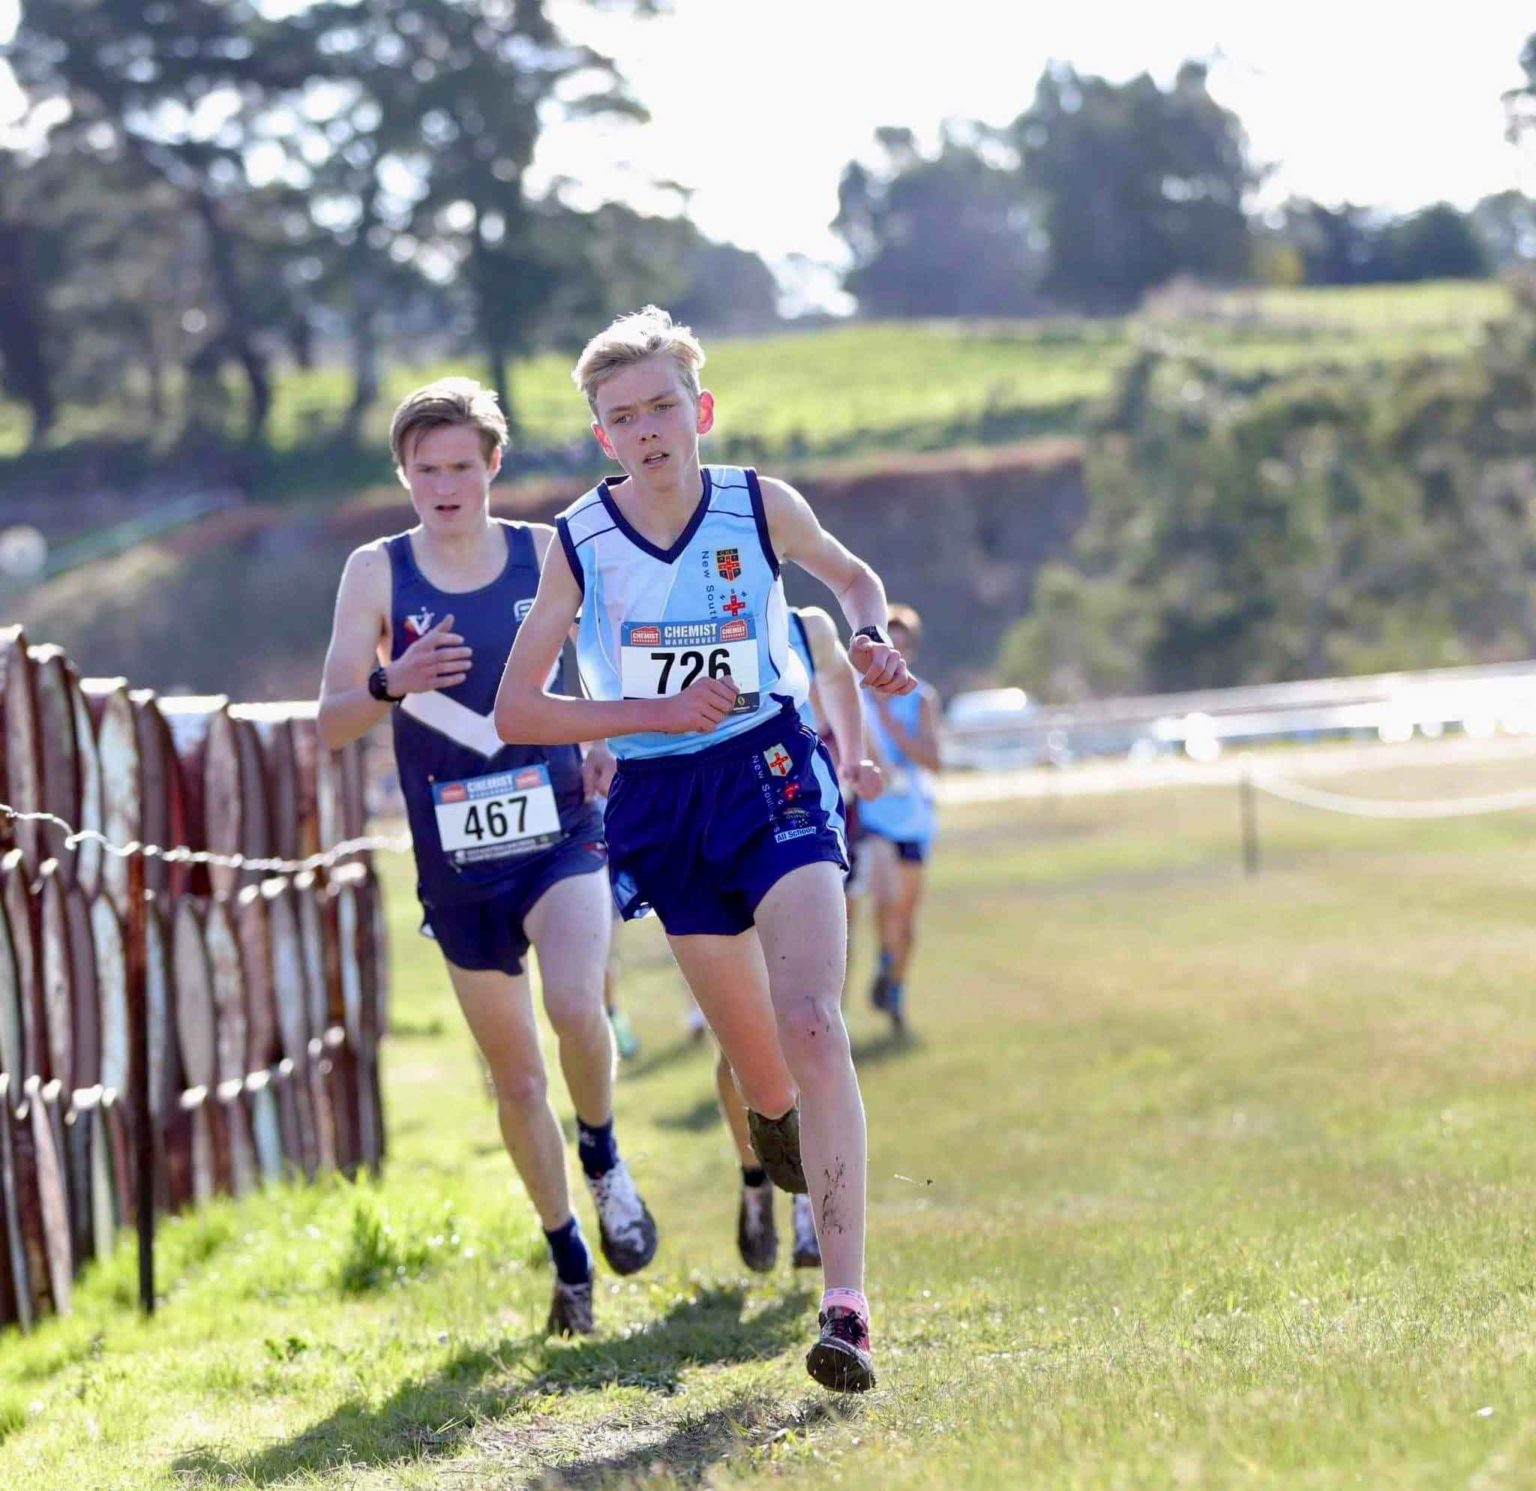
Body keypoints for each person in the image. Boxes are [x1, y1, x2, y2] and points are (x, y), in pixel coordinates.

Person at [494, 307, 910, 1394]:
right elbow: (520, 709)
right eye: (621, 418)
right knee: (764, 1080)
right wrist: (647, 715)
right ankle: (777, 1152)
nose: (647, 431)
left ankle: (848, 1310)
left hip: (772, 764)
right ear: (601, 437)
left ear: (700, 410)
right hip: (664, 799)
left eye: (662, 408)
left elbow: (854, 579)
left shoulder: (758, 504)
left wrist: (866, 640)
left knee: (814, 1019)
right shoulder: (581, 541)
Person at [317, 377, 658, 1339]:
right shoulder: (375, 573)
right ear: (404, 474)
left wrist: (602, 734)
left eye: (462, 465)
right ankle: (568, 1254)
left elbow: (598, 659)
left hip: (559, 825)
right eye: (425, 469)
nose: (445, 485)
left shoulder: (546, 550)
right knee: (514, 1081)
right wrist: (393, 678)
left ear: (493, 465)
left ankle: (603, 1152)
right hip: (456, 859)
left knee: (575, 1003)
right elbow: (331, 720)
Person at [724, 605, 881, 1276]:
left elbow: (842, 692)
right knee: (744, 1039)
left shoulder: (809, 625)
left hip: (802, 833)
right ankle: (755, 1176)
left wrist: (856, 758)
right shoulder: (700, 619)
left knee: (810, 1024)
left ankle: (805, 1206)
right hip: (724, 838)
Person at [857, 605, 942, 1034]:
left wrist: (892, 725)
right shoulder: (857, 697)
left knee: (906, 921)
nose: (898, 653)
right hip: (875, 816)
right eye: (892, 645)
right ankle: (885, 961)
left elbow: (934, 761)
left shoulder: (921, 698)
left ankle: (895, 985)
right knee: (886, 898)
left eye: (905, 646)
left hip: (915, 817)